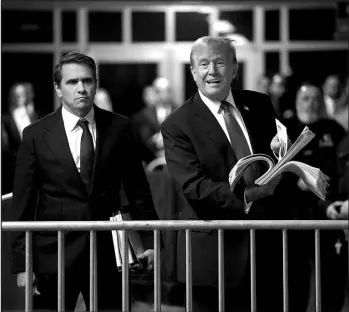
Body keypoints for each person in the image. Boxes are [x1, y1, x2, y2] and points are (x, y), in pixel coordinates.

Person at [10, 52, 160, 311]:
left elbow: (139, 190)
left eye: (88, 81)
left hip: (107, 253)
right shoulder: (35, 134)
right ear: (58, 88)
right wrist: (23, 263)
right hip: (52, 255)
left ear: (96, 84)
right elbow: (24, 201)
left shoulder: (120, 127)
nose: (81, 88)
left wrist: (152, 243)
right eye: (72, 82)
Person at [161, 36, 293, 312]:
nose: (213, 71)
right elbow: (193, 186)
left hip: (269, 249)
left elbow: (274, 158)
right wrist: (247, 196)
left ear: (234, 69)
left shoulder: (259, 104)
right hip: (213, 257)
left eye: (221, 62)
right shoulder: (177, 124)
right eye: (204, 64)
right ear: (193, 71)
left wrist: (285, 157)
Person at [286, 82, 346, 312]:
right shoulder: (285, 129)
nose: (311, 103)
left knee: (331, 277)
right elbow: (273, 170)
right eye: (305, 98)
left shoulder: (335, 129)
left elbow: (341, 169)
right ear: (296, 101)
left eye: (315, 98)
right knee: (295, 279)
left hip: (328, 215)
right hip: (293, 217)